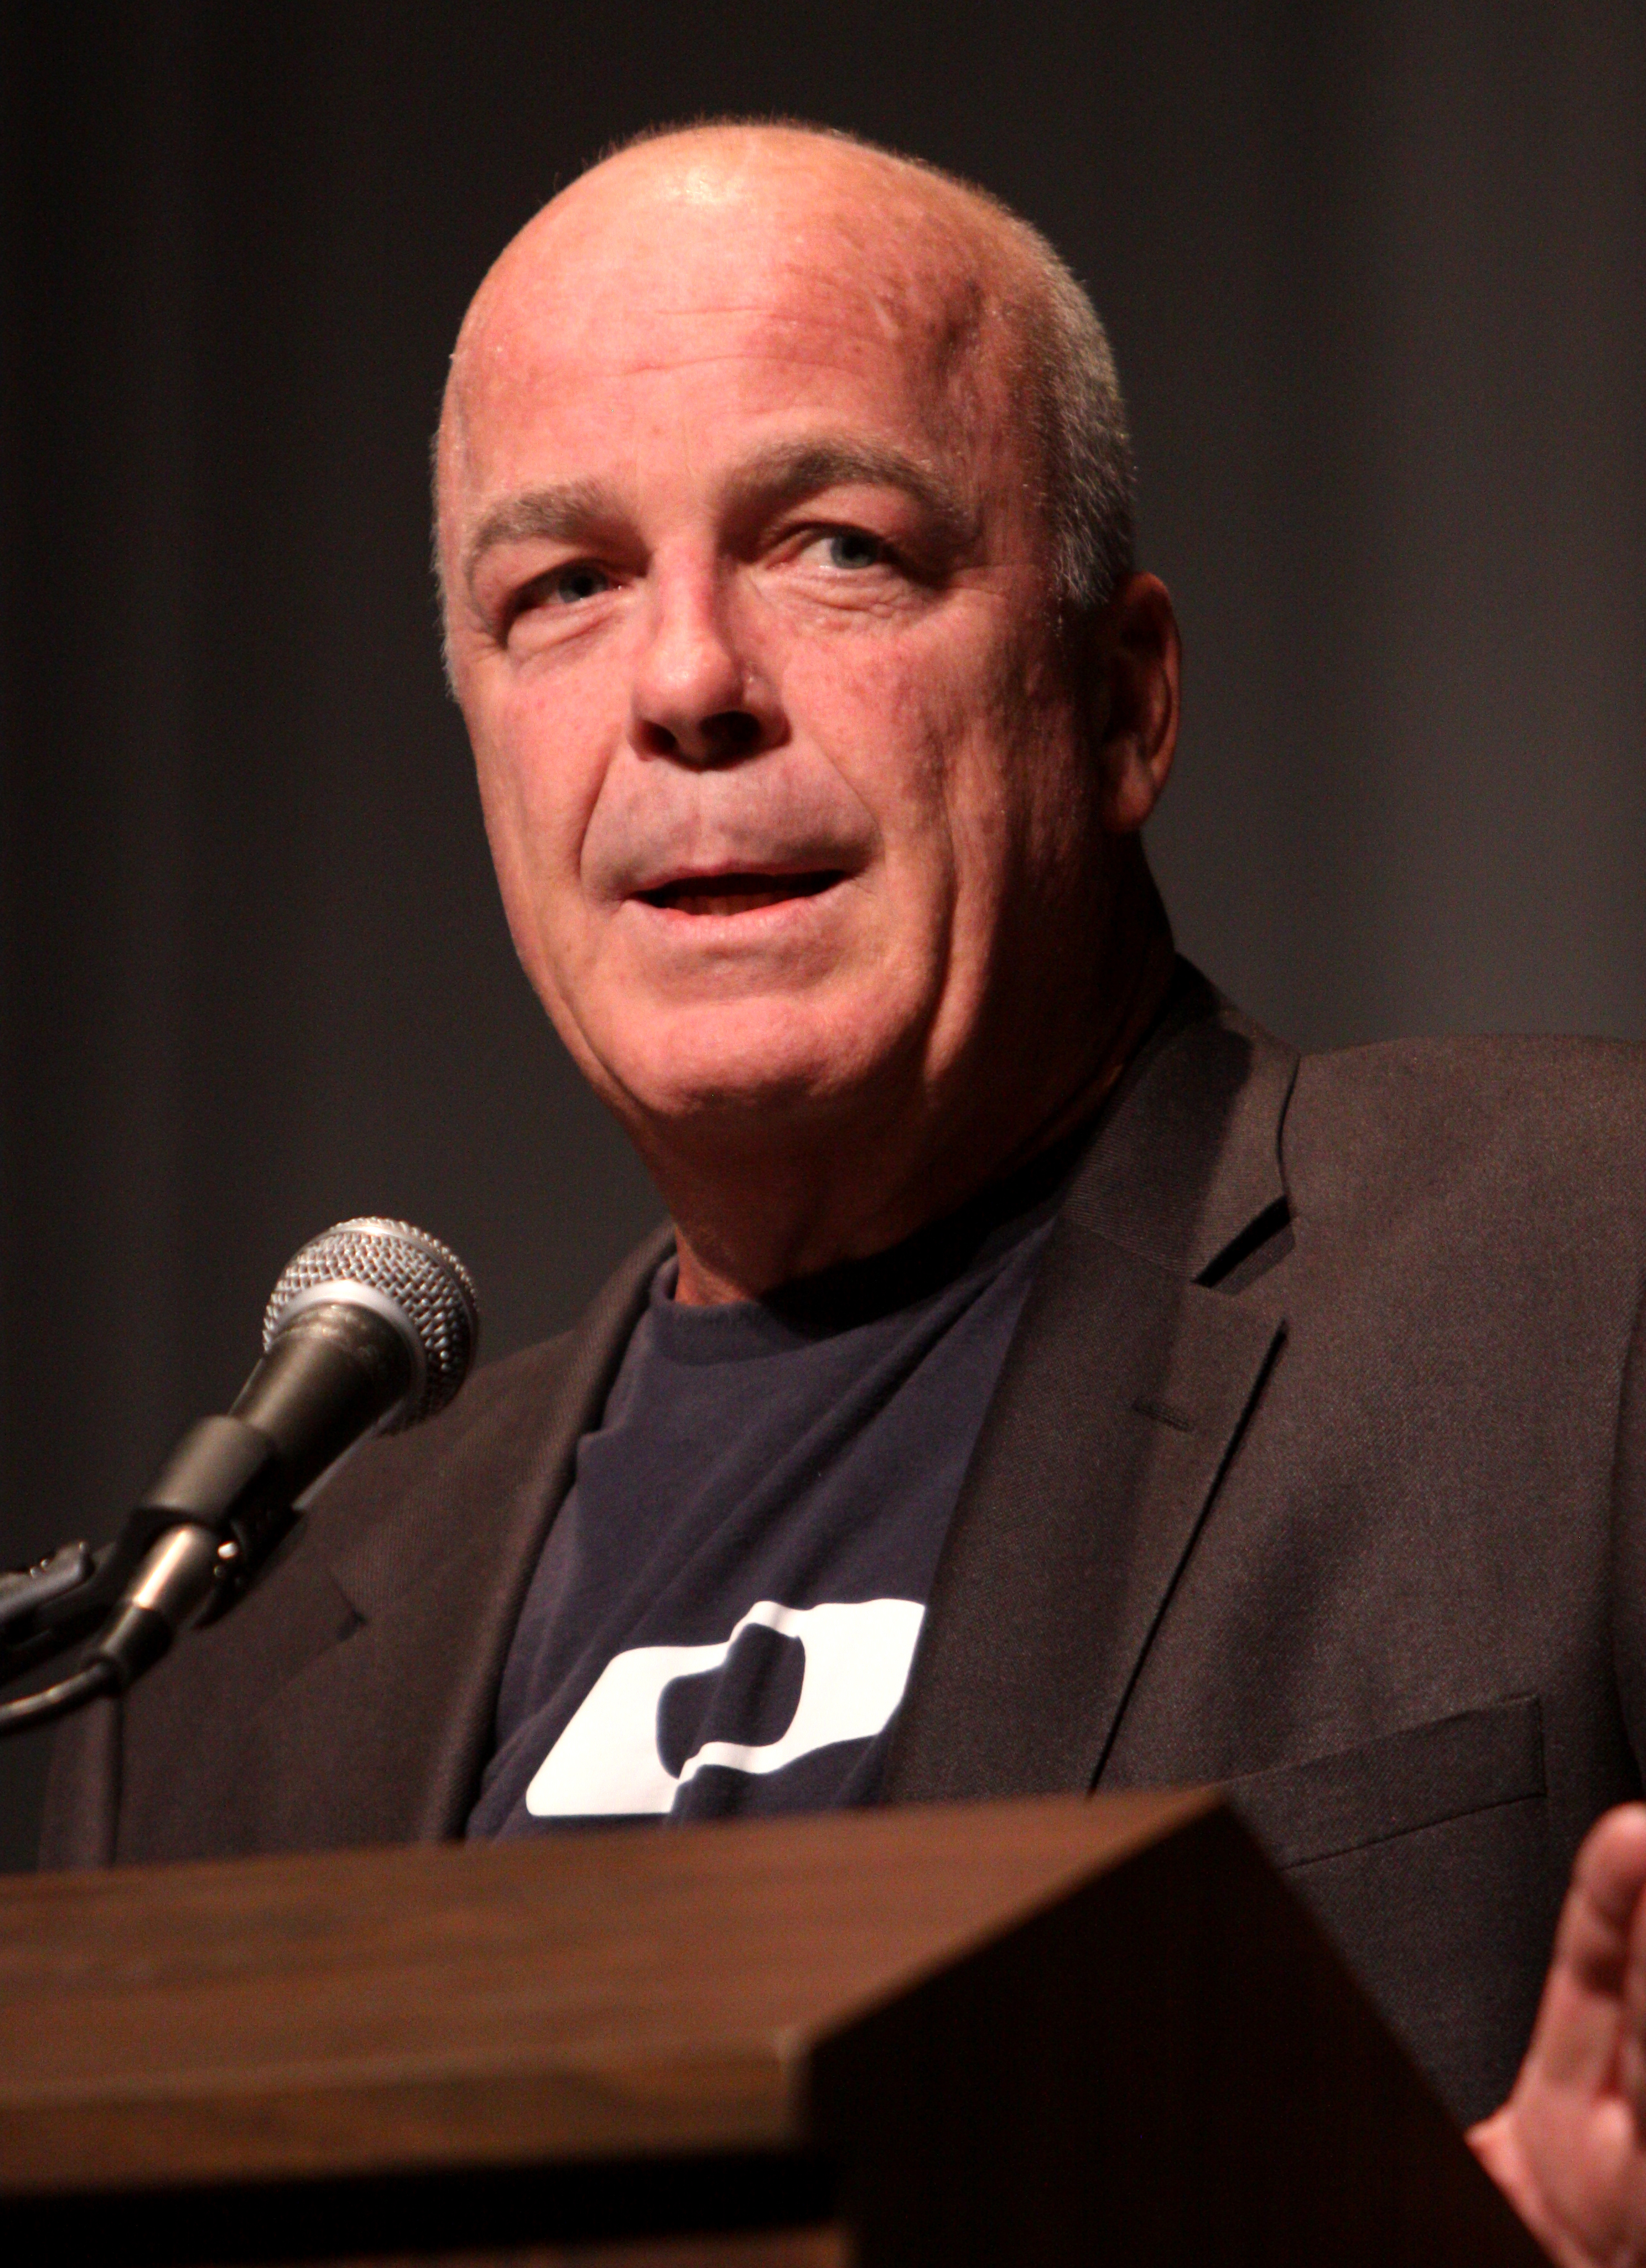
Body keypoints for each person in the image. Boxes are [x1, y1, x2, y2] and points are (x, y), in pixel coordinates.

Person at [38, 119, 1646, 2265]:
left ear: (1121, 700)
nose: (685, 682)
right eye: (562, 591)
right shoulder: (209, 1705)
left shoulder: (1577, 1276)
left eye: (836, 548)